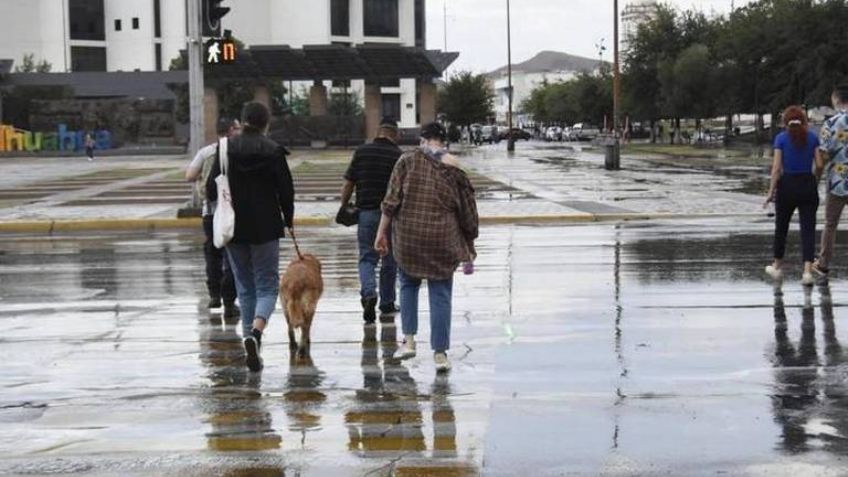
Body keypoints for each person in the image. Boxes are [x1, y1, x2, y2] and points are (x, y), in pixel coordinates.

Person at [374, 122, 479, 372]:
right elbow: (467, 209)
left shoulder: (406, 161)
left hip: (408, 237)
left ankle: (409, 341)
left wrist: (381, 233)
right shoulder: (453, 165)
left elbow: (391, 202)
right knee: (441, 293)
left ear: (422, 139)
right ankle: (440, 354)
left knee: (408, 285)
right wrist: (470, 237)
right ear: (443, 141)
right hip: (442, 238)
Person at [206, 102, 295, 372]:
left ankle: (250, 341)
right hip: (266, 226)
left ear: (242, 121)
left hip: (234, 227)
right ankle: (255, 334)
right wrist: (288, 220)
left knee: (245, 287)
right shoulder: (273, 151)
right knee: (267, 286)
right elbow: (286, 191)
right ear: (266, 122)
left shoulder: (225, 148)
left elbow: (211, 188)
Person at [340, 117, 402, 325]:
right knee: (390, 259)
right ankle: (387, 302)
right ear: (395, 134)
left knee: (367, 258)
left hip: (366, 214)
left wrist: (344, 205)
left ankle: (368, 294)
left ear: (379, 131)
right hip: (391, 215)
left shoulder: (362, 151)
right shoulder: (398, 156)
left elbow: (349, 182)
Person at [186, 117, 241, 318]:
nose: (240, 131)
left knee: (212, 252)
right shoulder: (235, 151)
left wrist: (203, 177)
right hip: (230, 211)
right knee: (232, 255)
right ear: (229, 131)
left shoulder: (205, 152)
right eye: (237, 128)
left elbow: (189, 176)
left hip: (209, 212)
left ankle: (214, 294)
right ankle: (229, 302)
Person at [765, 106, 825, 286]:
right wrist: (816, 179)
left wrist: (770, 192)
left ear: (785, 122)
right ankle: (807, 272)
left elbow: (776, 169)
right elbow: (820, 164)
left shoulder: (780, 139)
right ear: (804, 121)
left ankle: (777, 266)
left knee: (781, 227)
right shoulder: (813, 138)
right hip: (807, 183)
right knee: (808, 229)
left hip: (787, 185)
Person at [814, 85, 848, 279]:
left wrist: (816, 179)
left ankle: (824, 264)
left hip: (837, 182)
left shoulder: (831, 123)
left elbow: (823, 155)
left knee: (830, 224)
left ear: (835, 100)